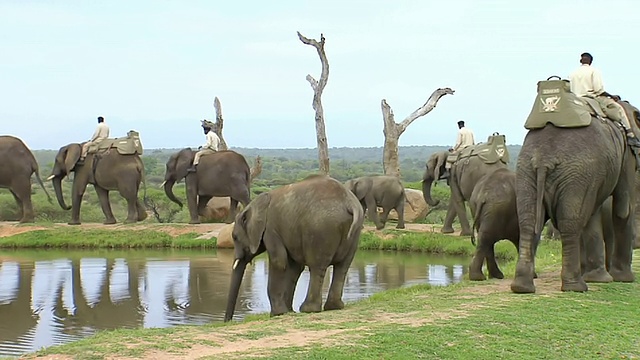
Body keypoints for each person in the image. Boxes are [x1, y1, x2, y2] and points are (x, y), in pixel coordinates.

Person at [568, 52, 640, 148]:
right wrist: (611, 96)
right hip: (592, 98)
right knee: (619, 109)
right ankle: (630, 134)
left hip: (576, 99)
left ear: (580, 60)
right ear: (590, 61)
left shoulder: (572, 73)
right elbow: (598, 90)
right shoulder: (594, 71)